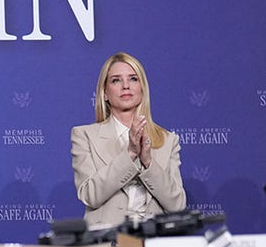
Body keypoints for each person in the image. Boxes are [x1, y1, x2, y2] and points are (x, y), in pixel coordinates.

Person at [71, 52, 187, 228]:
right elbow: (90, 195)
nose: (126, 86)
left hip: (153, 244)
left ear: (142, 88)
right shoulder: (84, 135)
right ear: (104, 94)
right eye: (116, 80)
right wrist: (130, 153)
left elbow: (177, 205)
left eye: (133, 79)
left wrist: (148, 163)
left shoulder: (168, 140)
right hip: (106, 244)